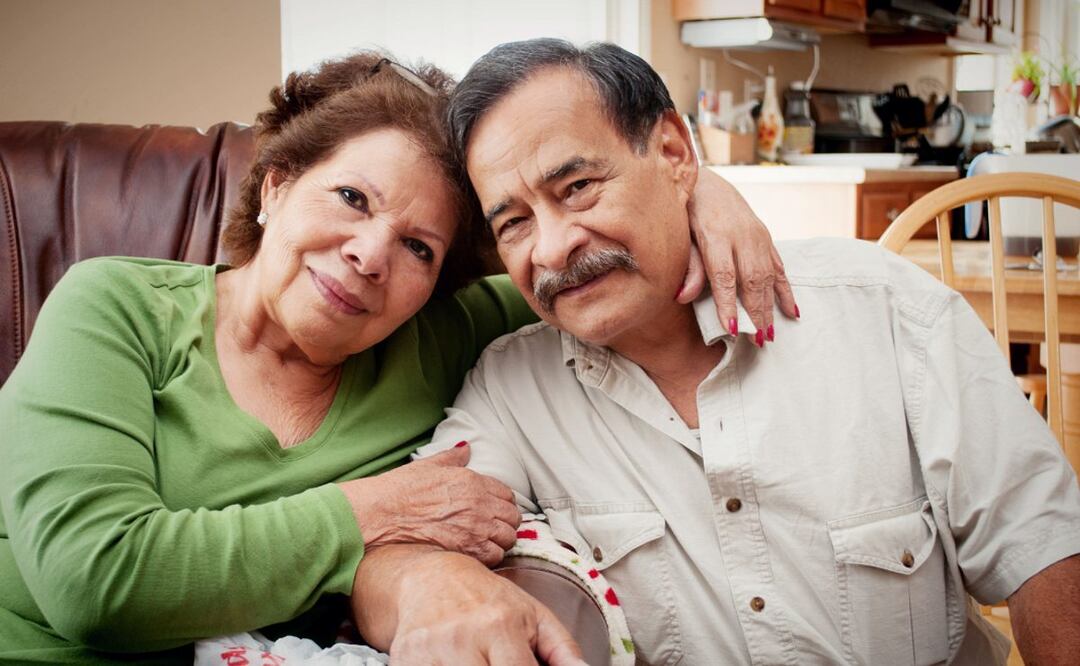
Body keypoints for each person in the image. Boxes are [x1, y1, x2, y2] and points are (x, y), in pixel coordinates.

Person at [0, 52, 794, 663]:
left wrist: (695, 193)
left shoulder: (436, 333)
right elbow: (94, 580)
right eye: (351, 198)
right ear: (275, 188)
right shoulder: (112, 306)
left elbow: (589, 264)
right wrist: (375, 511)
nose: (371, 256)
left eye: (419, 246)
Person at [350, 39, 1080, 665]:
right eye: (513, 224)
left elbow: (1044, 548)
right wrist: (425, 583)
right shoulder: (513, 388)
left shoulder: (884, 312)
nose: (551, 246)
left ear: (672, 152)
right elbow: (407, 543)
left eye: (577, 188)